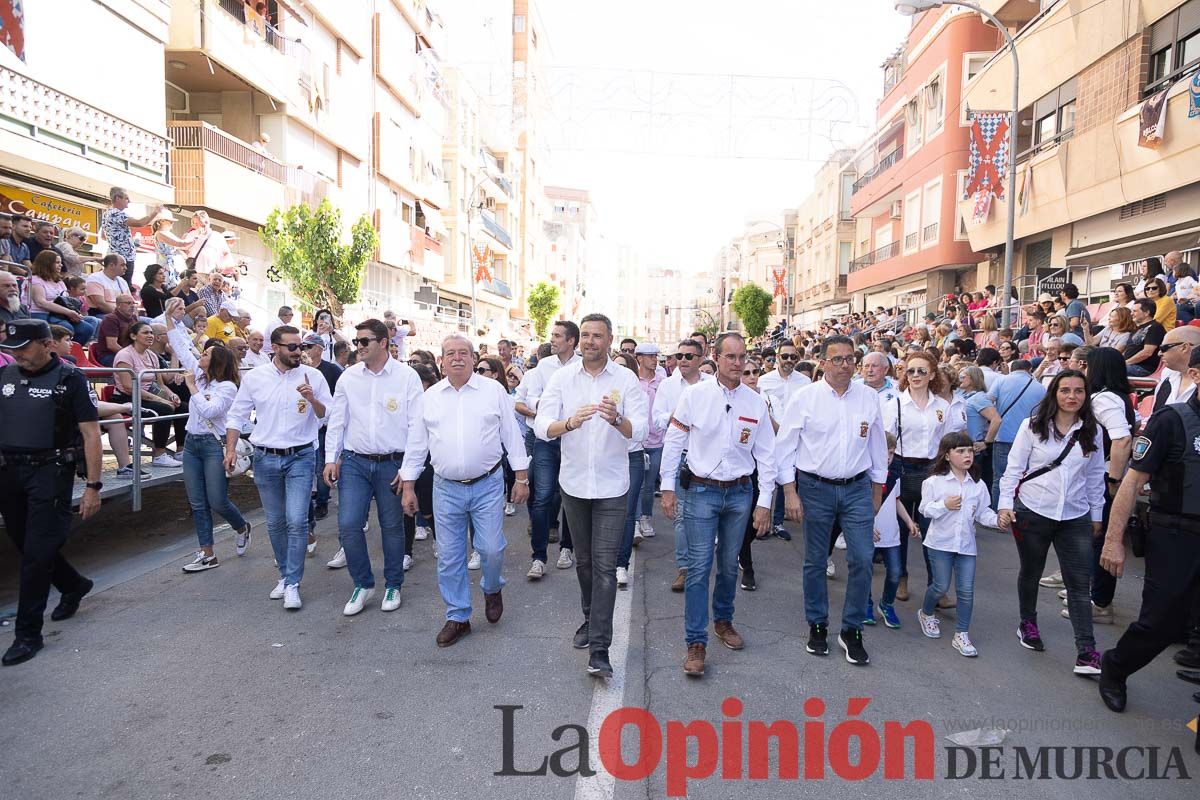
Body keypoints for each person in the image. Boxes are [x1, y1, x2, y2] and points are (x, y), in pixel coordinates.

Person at [537, 314, 648, 679]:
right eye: (584, 335)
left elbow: (640, 432)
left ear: (610, 340)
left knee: (603, 566)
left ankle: (600, 649)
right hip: (574, 485)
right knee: (583, 563)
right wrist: (569, 422)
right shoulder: (561, 377)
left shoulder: (626, 379)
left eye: (597, 336)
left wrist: (616, 419)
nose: (589, 341)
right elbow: (542, 426)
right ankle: (589, 618)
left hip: (613, 487)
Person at [403, 334, 530, 647]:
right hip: (445, 488)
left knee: (490, 549)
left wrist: (522, 477)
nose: (457, 358)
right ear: (442, 361)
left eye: (463, 353)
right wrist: (408, 484)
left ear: (474, 359)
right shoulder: (429, 397)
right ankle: (458, 615)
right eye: (450, 353)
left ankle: (491, 586)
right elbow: (417, 443)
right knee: (449, 556)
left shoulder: (493, 391)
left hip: (487, 483)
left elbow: (511, 434)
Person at [660, 331, 773, 677]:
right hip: (700, 493)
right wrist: (667, 487)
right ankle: (696, 642)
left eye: (743, 358)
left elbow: (768, 454)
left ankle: (723, 621)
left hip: (740, 493)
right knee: (698, 567)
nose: (738, 364)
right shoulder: (695, 396)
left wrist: (765, 501)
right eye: (731, 357)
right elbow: (674, 440)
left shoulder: (756, 403)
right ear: (716, 357)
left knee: (728, 564)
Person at [1097, 349, 1200, 712]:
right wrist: (1113, 541)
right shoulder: (1171, 421)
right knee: (1161, 625)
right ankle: (1116, 666)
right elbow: (1132, 482)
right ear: (1197, 376)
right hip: (1176, 536)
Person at [776, 335, 887, 665]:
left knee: (863, 559)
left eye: (850, 359)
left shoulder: (869, 398)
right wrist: (789, 491)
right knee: (814, 560)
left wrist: (877, 492)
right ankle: (818, 624)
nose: (844, 365)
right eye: (836, 359)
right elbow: (785, 447)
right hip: (815, 489)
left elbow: (877, 447)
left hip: (857, 489)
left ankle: (851, 629)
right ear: (823, 362)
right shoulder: (805, 398)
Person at [0, 319, 103, 666]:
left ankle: (27, 634)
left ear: (47, 344)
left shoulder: (71, 379)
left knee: (36, 555)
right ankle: (73, 585)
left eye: (24, 349)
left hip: (51, 471)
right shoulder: (6, 376)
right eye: (11, 350)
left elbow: (91, 434)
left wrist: (92, 486)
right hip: (9, 471)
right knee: (26, 544)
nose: (17, 357)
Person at [997, 370, 1106, 676]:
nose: (1072, 396)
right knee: (1031, 571)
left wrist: (1097, 514)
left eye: (1079, 391)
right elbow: (1014, 468)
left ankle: (1086, 650)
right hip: (1033, 511)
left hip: (1075, 515)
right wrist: (1005, 504)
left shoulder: (1092, 431)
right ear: (1054, 394)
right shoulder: (1032, 427)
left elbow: (1096, 476)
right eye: (1065, 390)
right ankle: (1028, 624)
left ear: (1086, 396)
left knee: (1079, 584)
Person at [322, 319, 426, 615]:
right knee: (348, 523)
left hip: (392, 463)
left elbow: (417, 426)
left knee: (392, 526)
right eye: (356, 342)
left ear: (383, 343)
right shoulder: (348, 378)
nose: (358, 347)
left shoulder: (407, 377)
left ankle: (393, 583)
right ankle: (363, 583)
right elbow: (337, 420)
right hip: (355, 461)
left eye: (364, 341)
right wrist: (332, 457)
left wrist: (409, 472)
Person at [225, 325, 332, 612]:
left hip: (301, 456)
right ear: (275, 348)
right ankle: (284, 576)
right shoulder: (256, 377)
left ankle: (293, 583)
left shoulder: (314, 376)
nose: (300, 352)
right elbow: (237, 414)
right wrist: (231, 449)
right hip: (265, 457)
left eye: (302, 347)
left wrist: (312, 398)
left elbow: (328, 415)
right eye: (293, 347)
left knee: (297, 521)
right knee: (275, 522)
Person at [882, 350, 962, 603]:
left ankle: (936, 587)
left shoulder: (942, 406)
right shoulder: (894, 404)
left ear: (932, 374)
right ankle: (900, 578)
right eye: (911, 370)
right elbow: (886, 441)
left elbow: (949, 441)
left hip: (932, 470)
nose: (915, 375)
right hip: (902, 468)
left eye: (921, 371)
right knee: (901, 530)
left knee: (933, 529)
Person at [170, 329, 252, 573]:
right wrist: (170, 319)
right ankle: (207, 553)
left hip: (213, 445)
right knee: (197, 502)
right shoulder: (200, 377)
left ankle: (241, 527)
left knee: (217, 500)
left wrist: (191, 387)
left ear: (215, 362)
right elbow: (182, 349)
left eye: (205, 354)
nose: (200, 356)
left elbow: (210, 411)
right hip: (192, 443)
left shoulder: (227, 387)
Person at [916, 431, 1001, 657]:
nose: (967, 455)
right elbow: (924, 510)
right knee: (940, 586)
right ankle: (926, 612)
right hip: (940, 544)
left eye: (970, 451)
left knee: (966, 591)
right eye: (960, 451)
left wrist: (998, 521)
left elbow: (983, 513)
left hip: (966, 546)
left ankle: (961, 633)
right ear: (947, 455)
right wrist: (944, 505)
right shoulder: (934, 482)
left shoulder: (978, 484)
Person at [518, 320, 580, 579]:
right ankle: (539, 557)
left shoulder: (582, 366)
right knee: (542, 496)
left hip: (574, 439)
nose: (552, 340)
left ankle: (567, 548)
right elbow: (529, 398)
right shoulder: (543, 367)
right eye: (552, 335)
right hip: (546, 438)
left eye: (557, 336)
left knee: (571, 498)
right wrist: (547, 401)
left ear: (571, 341)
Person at [651, 337, 715, 590]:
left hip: (707, 458)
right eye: (680, 356)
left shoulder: (712, 384)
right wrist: (681, 414)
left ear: (701, 359)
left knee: (706, 514)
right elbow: (657, 421)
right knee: (680, 516)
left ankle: (702, 565)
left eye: (689, 356)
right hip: (678, 456)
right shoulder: (667, 386)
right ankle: (685, 568)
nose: (683, 361)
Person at [758, 339, 812, 538]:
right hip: (768, 435)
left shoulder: (805, 383)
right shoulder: (764, 381)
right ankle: (760, 521)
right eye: (785, 356)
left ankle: (778, 522)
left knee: (785, 479)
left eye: (793, 357)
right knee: (763, 478)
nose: (789, 360)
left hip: (794, 439)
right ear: (777, 357)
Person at [111, 321, 184, 467]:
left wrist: (171, 395)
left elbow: (161, 384)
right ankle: (159, 454)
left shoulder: (152, 355)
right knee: (165, 409)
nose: (150, 336)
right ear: (133, 336)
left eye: (151, 332)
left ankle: (180, 450)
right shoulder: (124, 355)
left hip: (147, 395)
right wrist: (160, 400)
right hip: (126, 398)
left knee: (182, 406)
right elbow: (129, 386)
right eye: (145, 333)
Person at [988, 359, 1048, 504]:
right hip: (1029, 439)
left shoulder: (1001, 381)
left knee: (1000, 478)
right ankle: (1019, 510)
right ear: (1029, 369)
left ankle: (998, 513)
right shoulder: (1040, 387)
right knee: (1025, 478)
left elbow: (988, 400)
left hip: (1003, 436)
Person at [302, 332, 343, 521]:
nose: (305, 350)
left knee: (322, 465)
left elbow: (338, 397)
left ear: (319, 348)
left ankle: (322, 502)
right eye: (303, 347)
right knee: (309, 467)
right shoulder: (299, 369)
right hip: (306, 426)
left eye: (308, 346)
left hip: (325, 424)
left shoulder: (332, 370)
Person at [27, 250, 95, 344]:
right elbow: (41, 302)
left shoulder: (59, 281)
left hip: (59, 314)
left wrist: (74, 314)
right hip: (40, 313)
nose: (61, 265)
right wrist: (68, 312)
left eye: (61, 262)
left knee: (87, 328)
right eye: (57, 262)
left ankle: (70, 352)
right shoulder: (35, 280)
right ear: (47, 263)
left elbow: (66, 300)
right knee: (66, 328)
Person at [633, 343, 664, 542]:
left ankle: (646, 517)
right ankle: (635, 522)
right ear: (640, 358)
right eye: (650, 356)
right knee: (637, 483)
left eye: (655, 356)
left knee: (650, 484)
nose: (654, 359)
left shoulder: (663, 381)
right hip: (636, 440)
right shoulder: (633, 380)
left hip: (657, 440)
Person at [102, 188, 163, 283]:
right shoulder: (116, 213)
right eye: (126, 198)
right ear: (118, 198)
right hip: (123, 257)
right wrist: (155, 212)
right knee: (123, 286)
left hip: (115, 255)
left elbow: (103, 235)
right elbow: (140, 223)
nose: (129, 201)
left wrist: (121, 240)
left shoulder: (107, 214)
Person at [959, 366, 1001, 492]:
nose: (958, 379)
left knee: (975, 486)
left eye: (962, 376)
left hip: (976, 451)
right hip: (966, 448)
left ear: (972, 379)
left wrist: (986, 442)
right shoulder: (964, 396)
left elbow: (996, 419)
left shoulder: (979, 398)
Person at [1123, 298, 1167, 377]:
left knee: (1109, 369)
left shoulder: (1155, 327)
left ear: (1146, 313)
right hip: (1131, 366)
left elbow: (1147, 353)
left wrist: (1124, 363)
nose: (1131, 314)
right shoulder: (1136, 329)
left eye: (1135, 311)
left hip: (1144, 368)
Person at [93, 293, 138, 367]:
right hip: (109, 355)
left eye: (134, 303)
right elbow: (112, 345)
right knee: (134, 365)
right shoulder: (111, 319)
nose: (132, 306)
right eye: (128, 303)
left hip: (127, 353)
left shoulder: (134, 318)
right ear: (118, 305)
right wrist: (132, 356)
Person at [84, 254, 131, 318]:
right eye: (122, 265)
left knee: (148, 321)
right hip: (102, 314)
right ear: (111, 265)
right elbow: (101, 304)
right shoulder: (95, 279)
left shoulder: (122, 281)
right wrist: (123, 315)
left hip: (123, 315)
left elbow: (132, 302)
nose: (126, 268)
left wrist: (134, 317)